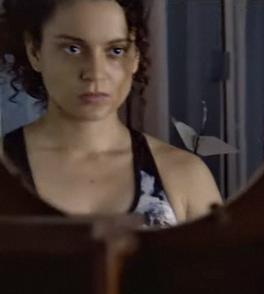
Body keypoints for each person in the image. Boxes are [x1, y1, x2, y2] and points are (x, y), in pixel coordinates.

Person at [0, 0, 221, 227]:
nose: (95, 73)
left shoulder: (184, 175)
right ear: (35, 52)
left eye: (116, 50)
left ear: (135, 56)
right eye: (73, 49)